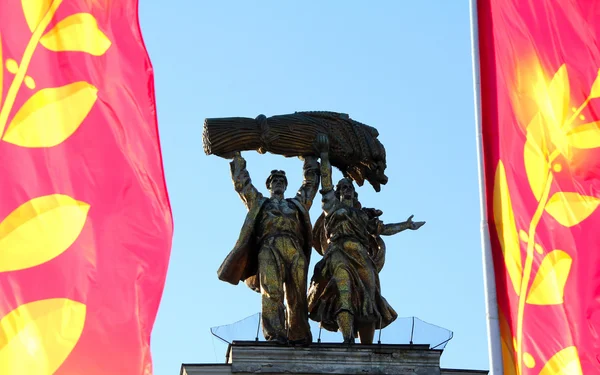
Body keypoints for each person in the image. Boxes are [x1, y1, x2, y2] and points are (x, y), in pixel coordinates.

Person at [308, 134, 425, 344]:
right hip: (338, 253)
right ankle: (347, 340)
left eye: (349, 188)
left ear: (354, 193)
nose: (346, 190)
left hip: (362, 256)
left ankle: (367, 348)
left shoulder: (363, 216)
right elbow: (326, 182)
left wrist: (406, 226)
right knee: (344, 292)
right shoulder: (332, 208)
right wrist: (324, 156)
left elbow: (383, 229)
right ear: (338, 193)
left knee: (368, 300)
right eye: (342, 188)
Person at [217, 151, 319, 345]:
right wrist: (237, 158)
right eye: (275, 180)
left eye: (281, 180)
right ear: (269, 185)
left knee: (297, 295)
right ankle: (275, 335)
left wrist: (310, 160)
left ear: (286, 185)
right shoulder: (260, 202)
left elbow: (310, 186)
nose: (278, 183)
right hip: (269, 247)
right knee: (271, 292)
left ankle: (298, 335)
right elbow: (243, 185)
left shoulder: (297, 204)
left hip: (294, 248)